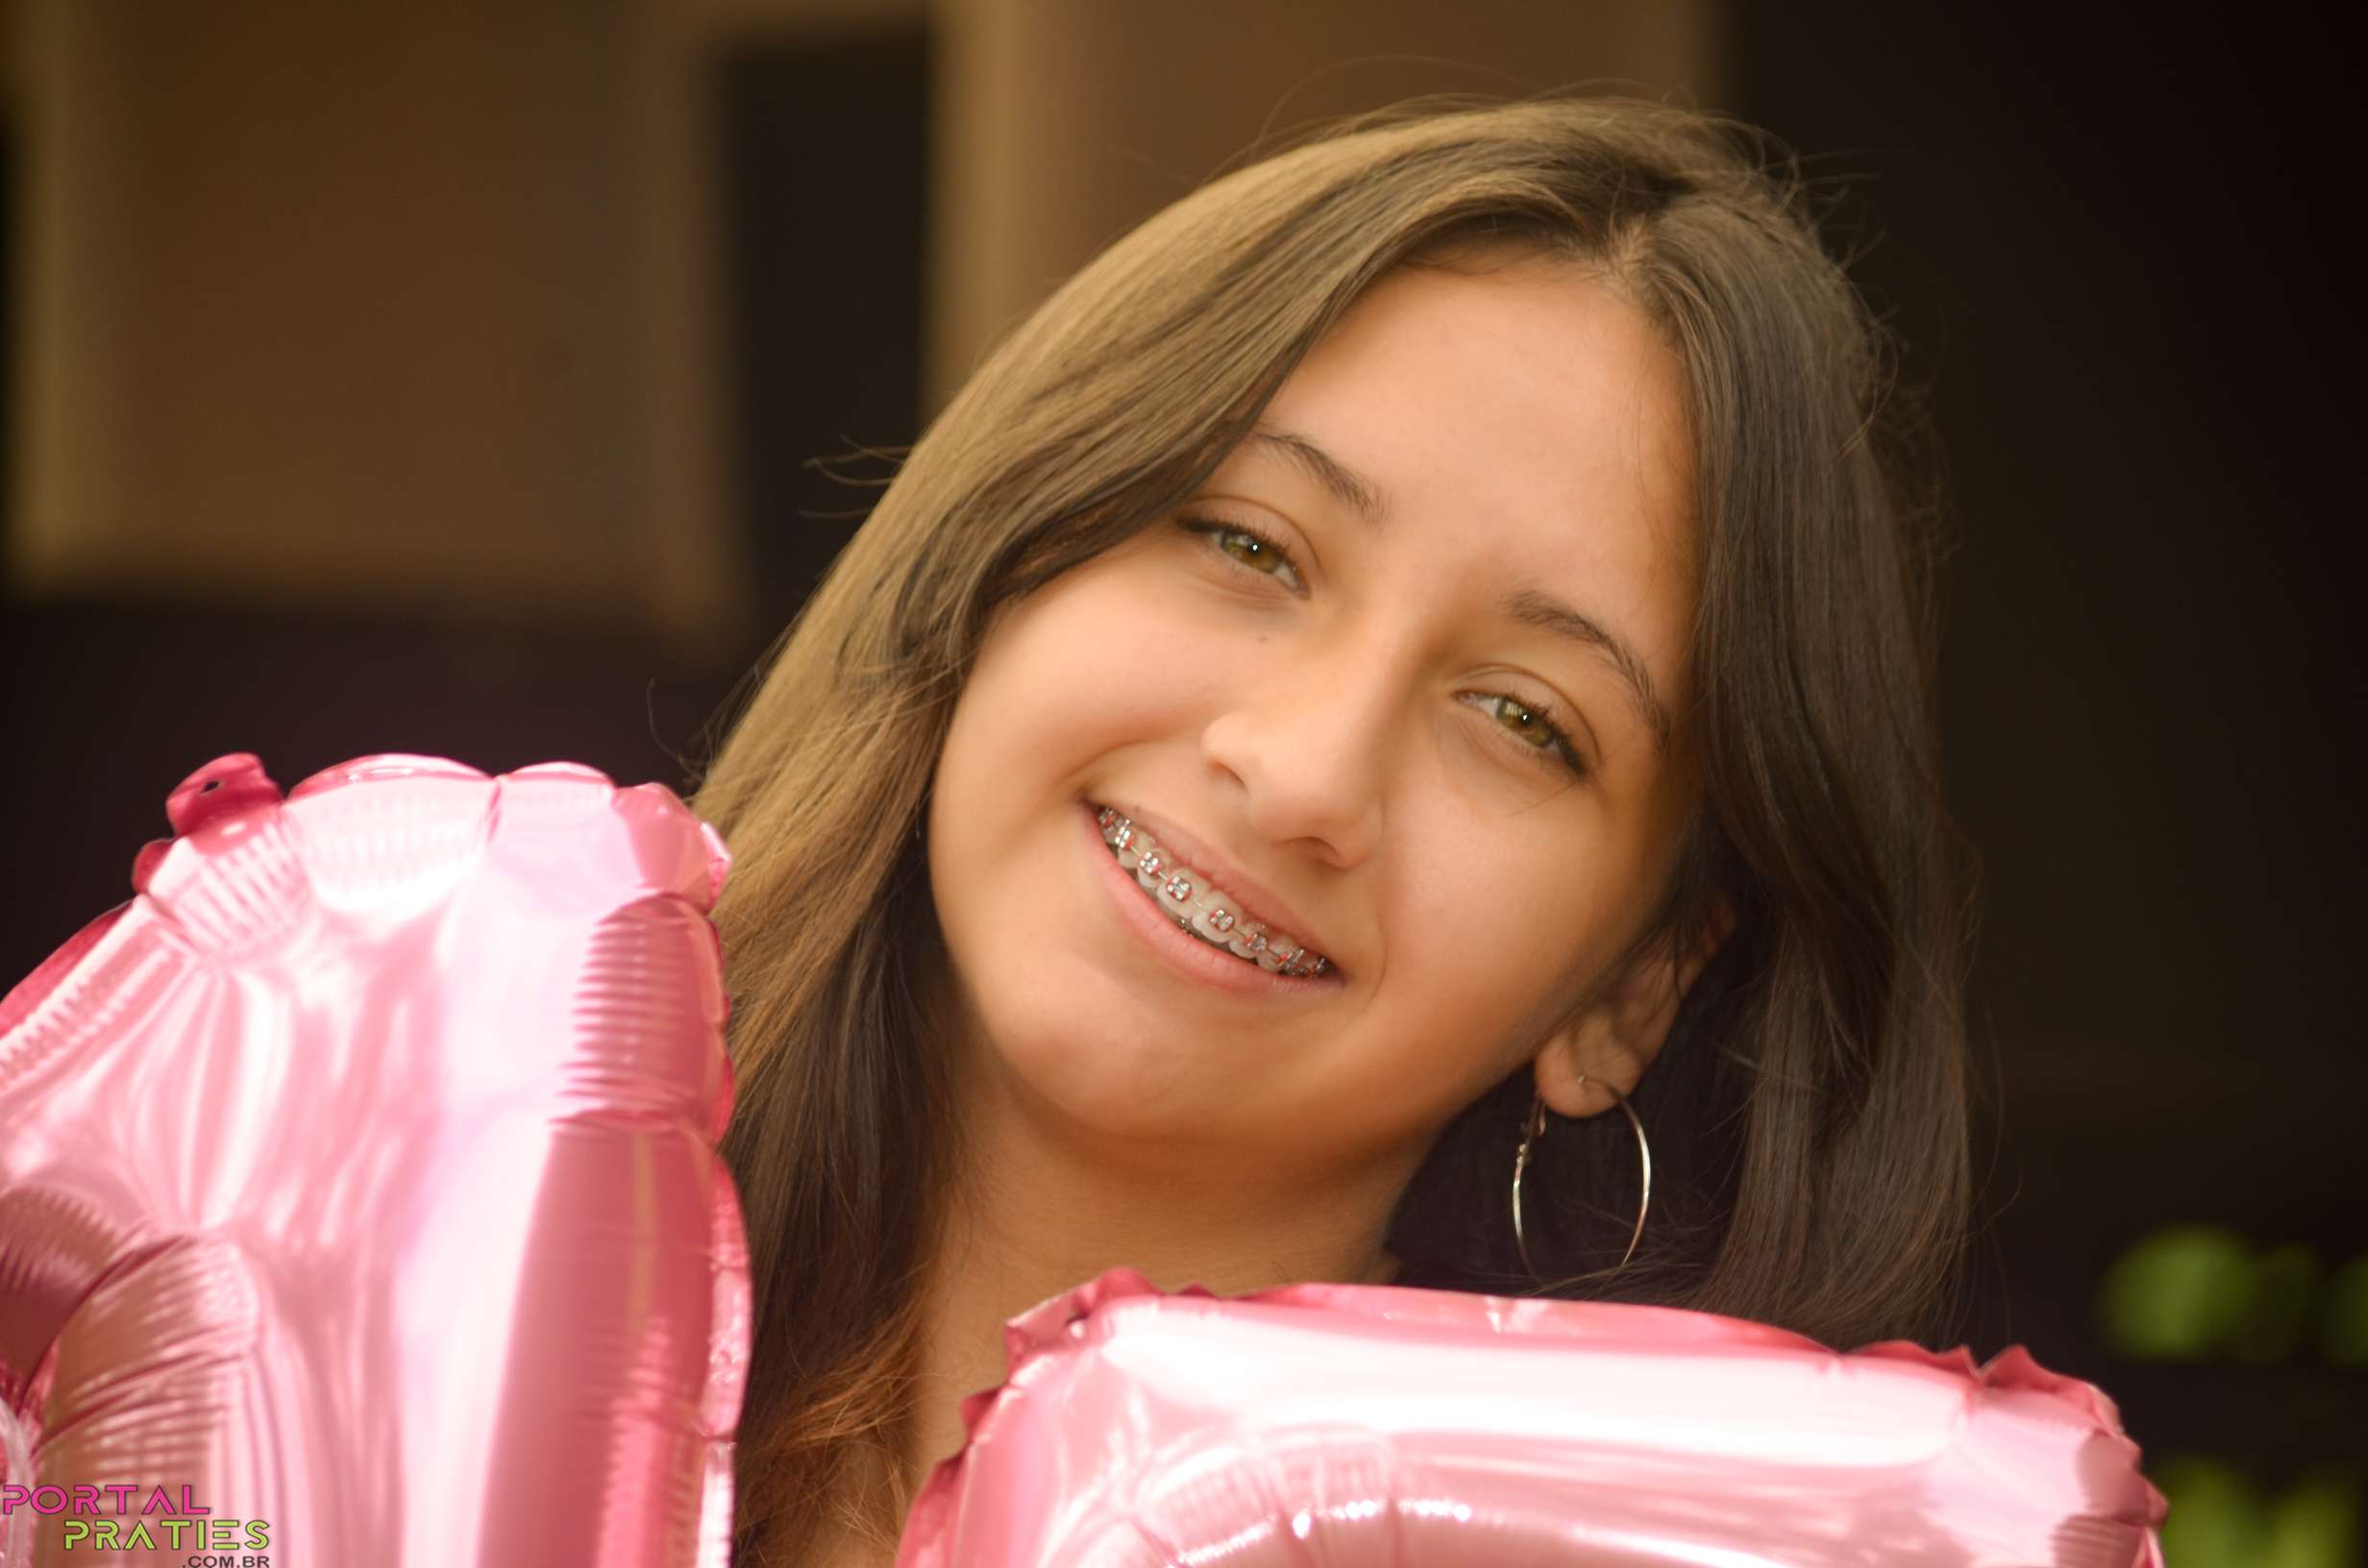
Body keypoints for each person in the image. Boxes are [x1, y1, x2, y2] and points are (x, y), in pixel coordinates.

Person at [688, 91, 1976, 1567]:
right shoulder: (464, 1286)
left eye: (1523, 719)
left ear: (1638, 985)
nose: (1306, 774)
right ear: (998, 553)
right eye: (1250, 545)